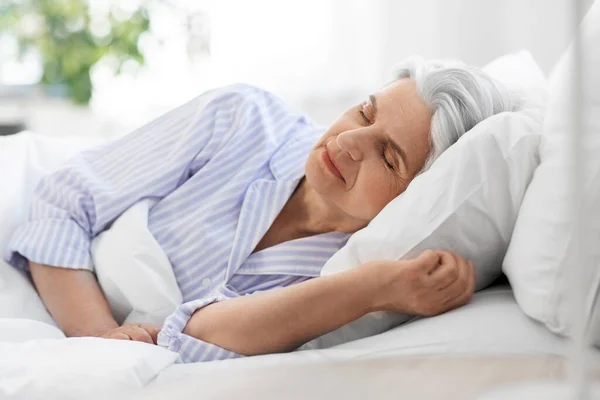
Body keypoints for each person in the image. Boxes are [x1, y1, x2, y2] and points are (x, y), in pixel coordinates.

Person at [4, 57, 516, 363]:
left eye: (388, 155)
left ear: (421, 195)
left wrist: (373, 287)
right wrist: (99, 339)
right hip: (37, 283)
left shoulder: (342, 270)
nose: (349, 140)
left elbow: (197, 338)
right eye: (365, 110)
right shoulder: (241, 119)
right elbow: (61, 205)